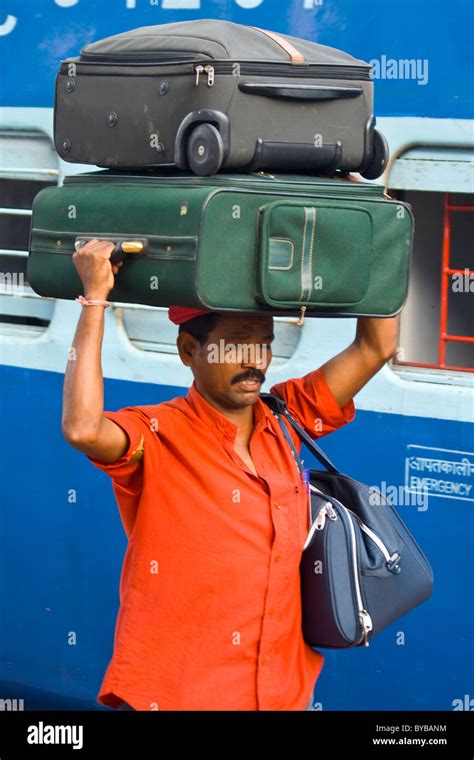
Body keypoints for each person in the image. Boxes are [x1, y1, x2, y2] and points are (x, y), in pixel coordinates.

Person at [62, 238, 398, 711]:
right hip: (181, 695)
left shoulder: (287, 417)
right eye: (237, 345)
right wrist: (95, 299)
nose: (255, 361)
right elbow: (82, 428)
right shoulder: (158, 432)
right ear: (188, 350)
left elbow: (376, 345)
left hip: (280, 692)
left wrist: (381, 234)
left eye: (264, 344)